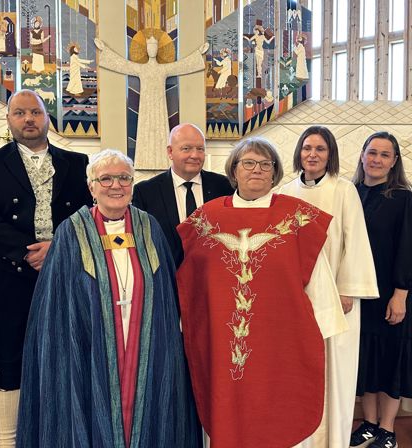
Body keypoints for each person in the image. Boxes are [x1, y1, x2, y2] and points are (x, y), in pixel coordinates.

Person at [16, 149, 201, 447]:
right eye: (106, 179)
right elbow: (57, 304)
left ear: (132, 183)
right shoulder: (71, 232)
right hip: (90, 348)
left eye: (124, 178)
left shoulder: (149, 228)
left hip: (146, 346)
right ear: (91, 187)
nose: (116, 185)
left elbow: (166, 294)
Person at [177, 137, 348, 447]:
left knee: (280, 410)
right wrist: (187, 324)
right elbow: (191, 280)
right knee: (228, 410)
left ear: (274, 172)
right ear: (234, 170)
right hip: (224, 343)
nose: (257, 170)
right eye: (248, 163)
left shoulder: (297, 218)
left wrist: (319, 332)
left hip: (283, 340)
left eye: (265, 164)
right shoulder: (207, 219)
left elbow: (319, 279)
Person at [0, 89, 92, 447]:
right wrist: (26, 251)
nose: (29, 119)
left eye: (35, 112)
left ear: (47, 117)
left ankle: (67, 433)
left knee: (72, 352)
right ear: (9, 119)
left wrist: (58, 248)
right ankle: (9, 438)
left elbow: (88, 216)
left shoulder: (77, 163)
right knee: (10, 354)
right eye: (19, 113)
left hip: (69, 274)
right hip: (12, 275)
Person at [278, 126, 379, 448]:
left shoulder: (344, 190)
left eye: (320, 149)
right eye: (307, 148)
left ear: (330, 155)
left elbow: (356, 241)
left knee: (337, 369)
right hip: (298, 298)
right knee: (299, 368)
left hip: (338, 296)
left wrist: (348, 289)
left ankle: (333, 437)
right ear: (298, 153)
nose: (312, 154)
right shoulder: (284, 193)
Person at [348, 132, 412, 448]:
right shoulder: (349, 194)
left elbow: (410, 248)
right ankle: (368, 423)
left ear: (394, 162)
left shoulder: (403, 198)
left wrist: (401, 293)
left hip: (390, 294)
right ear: (363, 155)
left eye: (385, 155)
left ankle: (388, 428)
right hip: (359, 294)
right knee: (366, 359)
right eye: (372, 152)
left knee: (390, 358)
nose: (377, 159)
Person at [95, 35, 208, 169]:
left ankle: (162, 161)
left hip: (160, 107)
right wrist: (104, 51)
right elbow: (124, 65)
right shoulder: (142, 69)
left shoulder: (163, 69)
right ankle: (144, 161)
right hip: (145, 107)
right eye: (150, 48)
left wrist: (199, 54)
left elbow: (181, 66)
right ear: (146, 50)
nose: (152, 50)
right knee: (144, 132)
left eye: (154, 47)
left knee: (161, 132)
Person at [132, 123, 233, 267]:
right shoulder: (146, 192)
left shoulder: (224, 186)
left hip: (214, 276)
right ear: (170, 152)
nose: (195, 155)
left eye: (200, 149)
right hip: (168, 280)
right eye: (187, 149)